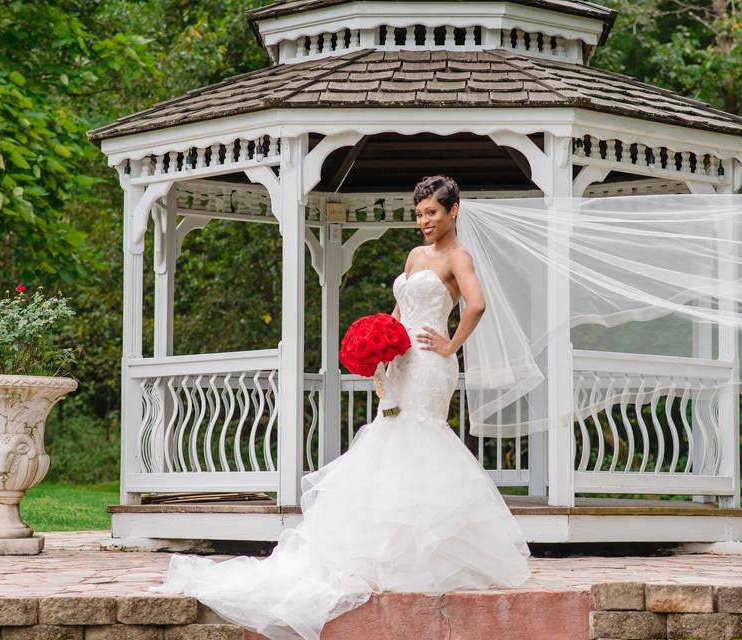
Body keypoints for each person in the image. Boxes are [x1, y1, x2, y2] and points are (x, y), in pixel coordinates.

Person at [150, 175, 532, 640]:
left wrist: (450, 345)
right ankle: (381, 549)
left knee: (420, 438)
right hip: (399, 363)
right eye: (418, 214)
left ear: (453, 211)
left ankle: (425, 556)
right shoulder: (415, 256)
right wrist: (380, 355)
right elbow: (398, 311)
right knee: (389, 440)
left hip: (431, 364)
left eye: (431, 212)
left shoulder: (459, 257)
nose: (424, 221)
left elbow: (476, 304)